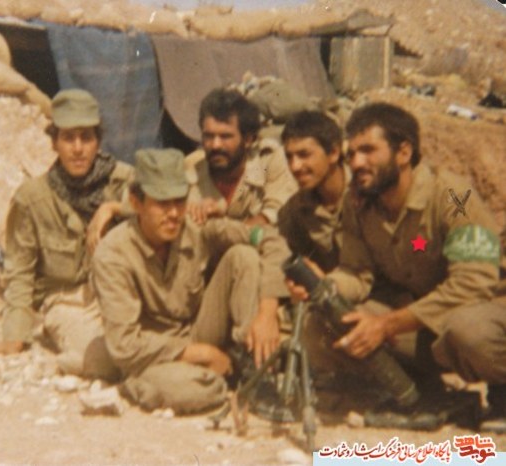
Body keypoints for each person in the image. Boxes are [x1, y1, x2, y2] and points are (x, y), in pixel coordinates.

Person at [286, 102, 506, 432]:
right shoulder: (359, 203)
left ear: (403, 152)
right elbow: (356, 273)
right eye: (352, 153)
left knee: (468, 331)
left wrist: (387, 324)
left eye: (368, 150)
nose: (356, 163)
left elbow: (474, 284)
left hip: (486, 316)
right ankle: (421, 391)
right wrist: (324, 286)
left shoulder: (454, 197)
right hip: (425, 324)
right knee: (325, 324)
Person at [92, 148, 290, 413]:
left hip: (196, 330)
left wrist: (267, 312)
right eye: (162, 203)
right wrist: (202, 354)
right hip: (153, 352)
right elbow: (125, 347)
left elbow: (270, 239)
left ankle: (254, 367)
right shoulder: (113, 254)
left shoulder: (196, 227)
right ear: (136, 203)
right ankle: (152, 383)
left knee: (244, 256)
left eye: (180, 201)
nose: (174, 213)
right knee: (195, 391)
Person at [0, 89, 133, 382]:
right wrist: (15, 335)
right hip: (66, 302)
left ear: (98, 141)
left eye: (86, 137)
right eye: (68, 138)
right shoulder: (32, 198)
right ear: (54, 142)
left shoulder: (123, 181)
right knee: (107, 362)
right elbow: (20, 271)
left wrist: (114, 207)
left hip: (117, 293)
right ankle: (65, 361)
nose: (78, 148)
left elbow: (168, 209)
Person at [186, 88, 297, 226]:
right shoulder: (191, 169)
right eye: (208, 136)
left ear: (248, 139)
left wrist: (226, 226)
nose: (215, 145)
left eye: (225, 136)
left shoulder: (268, 162)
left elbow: (275, 214)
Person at [278, 110, 348, 272]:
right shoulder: (295, 209)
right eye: (289, 157)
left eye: (304, 155)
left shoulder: (367, 194)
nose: (295, 166)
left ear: (333, 153)